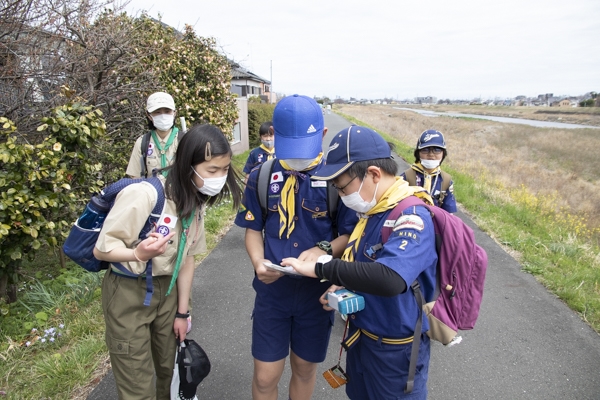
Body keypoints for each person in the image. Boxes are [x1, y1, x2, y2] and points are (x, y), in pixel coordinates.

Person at [282, 125, 437, 399]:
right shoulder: (373, 211)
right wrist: (340, 287)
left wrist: (322, 267)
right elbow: (362, 265)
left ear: (374, 174)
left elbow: (390, 278)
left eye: (342, 187)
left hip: (394, 351)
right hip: (360, 340)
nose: (341, 196)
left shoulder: (411, 216)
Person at [93, 124, 243, 399]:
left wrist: (182, 312)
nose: (220, 178)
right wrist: (138, 254)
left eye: (224, 170)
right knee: (136, 381)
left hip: (169, 289)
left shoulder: (194, 199)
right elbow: (103, 250)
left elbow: (187, 260)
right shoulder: (144, 195)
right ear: (188, 165)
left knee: (169, 371)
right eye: (212, 171)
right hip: (129, 291)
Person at [234, 95, 358, 400]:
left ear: (323, 136)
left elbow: (350, 234)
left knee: (304, 369)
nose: (298, 157)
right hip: (272, 292)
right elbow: (252, 229)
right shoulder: (261, 177)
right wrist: (258, 261)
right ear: (275, 134)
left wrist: (324, 249)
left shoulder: (336, 180)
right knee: (265, 377)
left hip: (316, 294)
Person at [126, 91, 181, 179]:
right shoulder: (142, 142)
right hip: (152, 191)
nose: (163, 116)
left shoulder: (185, 140)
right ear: (149, 116)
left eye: (167, 111)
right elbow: (135, 177)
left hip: (179, 192)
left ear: (174, 113)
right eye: (157, 112)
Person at [401, 129, 457, 213]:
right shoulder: (406, 177)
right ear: (418, 153)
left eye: (437, 150)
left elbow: (449, 213)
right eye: (425, 149)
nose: (431, 154)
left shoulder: (446, 180)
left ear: (443, 153)